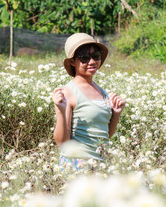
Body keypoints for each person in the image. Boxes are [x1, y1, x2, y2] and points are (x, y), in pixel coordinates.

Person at [52, 33, 126, 168]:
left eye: (96, 56)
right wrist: (61, 111)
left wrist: (116, 113)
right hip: (77, 165)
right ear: (73, 62)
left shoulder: (101, 91)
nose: (92, 62)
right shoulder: (68, 92)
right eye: (84, 58)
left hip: (100, 165)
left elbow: (104, 136)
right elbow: (62, 143)